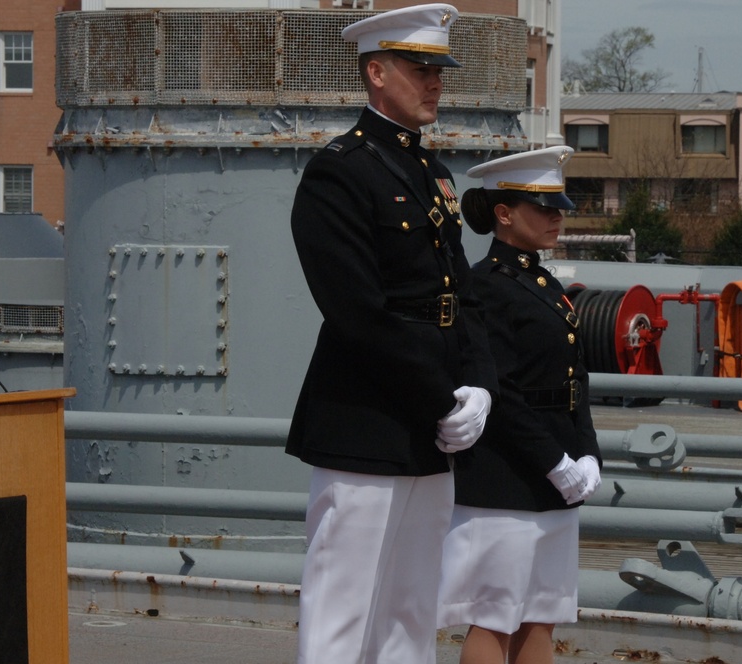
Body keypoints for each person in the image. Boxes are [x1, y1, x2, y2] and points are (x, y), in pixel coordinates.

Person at [286, 5, 497, 663]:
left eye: (438, 69)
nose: (434, 82)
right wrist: (442, 399)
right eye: (419, 67)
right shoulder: (339, 172)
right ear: (376, 72)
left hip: (430, 432)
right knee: (341, 616)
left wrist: (481, 387)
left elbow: (460, 296)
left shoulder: (430, 174)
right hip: (366, 424)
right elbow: (359, 313)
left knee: (411, 611)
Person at [437, 146, 603, 664]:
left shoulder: (543, 283)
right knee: (493, 618)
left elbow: (573, 378)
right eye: (543, 208)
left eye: (559, 208)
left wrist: (588, 452)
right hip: (505, 477)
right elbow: (499, 389)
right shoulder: (485, 285)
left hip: (554, 473)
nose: (556, 218)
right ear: (504, 214)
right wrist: (555, 462)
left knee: (540, 617)